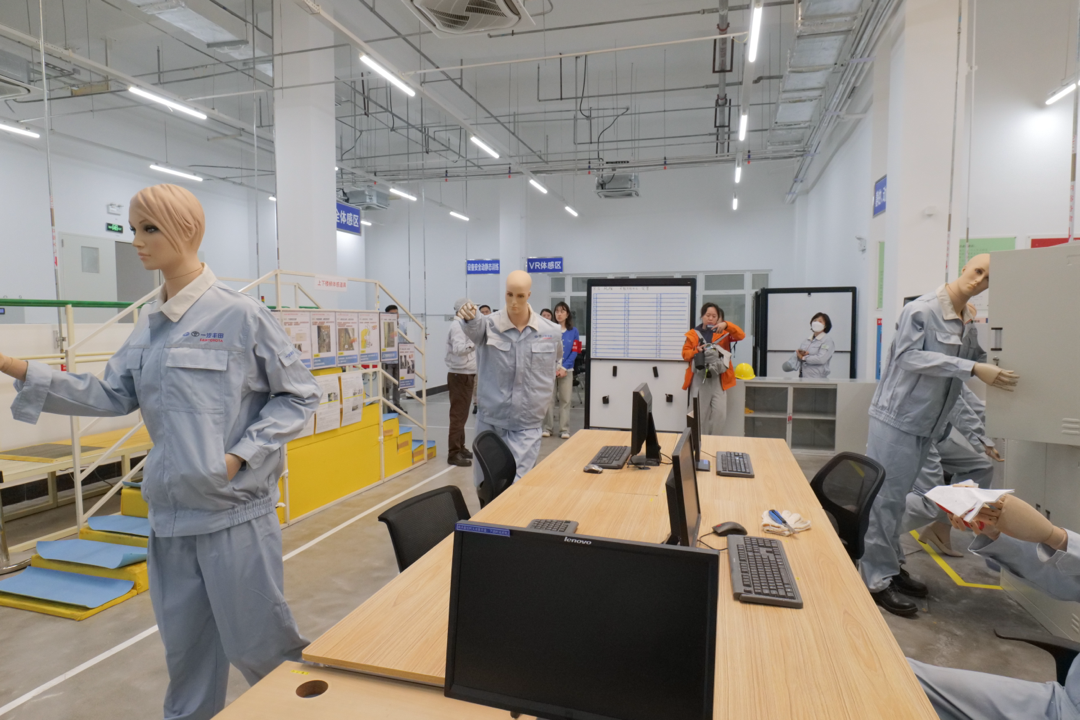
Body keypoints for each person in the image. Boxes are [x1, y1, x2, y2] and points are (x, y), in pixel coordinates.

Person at [2, 184, 319, 720]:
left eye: (149, 228)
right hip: (169, 520)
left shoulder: (239, 315)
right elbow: (111, 395)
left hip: (232, 515)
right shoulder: (150, 325)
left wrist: (240, 456)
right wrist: (14, 366)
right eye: (133, 229)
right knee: (187, 661)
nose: (136, 242)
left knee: (263, 650)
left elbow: (299, 394)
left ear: (186, 230)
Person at [860, 254, 1019, 618]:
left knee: (899, 503)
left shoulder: (967, 321)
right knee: (885, 501)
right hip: (897, 419)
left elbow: (956, 387)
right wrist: (971, 365)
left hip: (928, 426)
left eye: (987, 278)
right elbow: (907, 357)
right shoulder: (922, 310)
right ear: (964, 267)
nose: (979, 280)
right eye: (977, 271)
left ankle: (890, 566)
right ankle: (874, 579)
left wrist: (981, 436)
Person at [909, 494, 1080, 720]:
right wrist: (996, 534)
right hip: (1059, 703)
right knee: (901, 677)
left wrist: (1055, 537)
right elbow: (1065, 580)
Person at [456, 271, 560, 486]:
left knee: (518, 488)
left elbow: (554, 362)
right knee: (488, 487)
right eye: (509, 294)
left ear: (529, 295)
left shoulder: (550, 331)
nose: (513, 302)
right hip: (491, 423)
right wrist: (469, 314)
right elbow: (473, 327)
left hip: (527, 424)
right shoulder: (487, 326)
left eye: (520, 296)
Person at [681, 303, 745, 436]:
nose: (710, 318)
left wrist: (726, 324)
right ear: (702, 316)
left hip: (718, 378)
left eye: (714, 316)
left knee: (719, 415)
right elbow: (685, 354)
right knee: (699, 414)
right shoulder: (693, 334)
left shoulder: (724, 333)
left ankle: (713, 441)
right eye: (708, 315)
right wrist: (696, 350)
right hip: (699, 378)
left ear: (718, 318)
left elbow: (741, 335)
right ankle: (698, 442)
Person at [445, 298, 477, 467]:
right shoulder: (457, 326)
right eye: (470, 308)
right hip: (460, 375)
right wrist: (475, 342)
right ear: (461, 310)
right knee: (458, 415)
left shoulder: (463, 325)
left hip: (465, 373)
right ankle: (454, 453)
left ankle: (461, 447)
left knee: (462, 414)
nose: (474, 311)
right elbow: (459, 349)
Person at [542, 302, 580, 440]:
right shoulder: (549, 330)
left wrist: (564, 368)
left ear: (567, 314)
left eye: (562, 311)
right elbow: (545, 349)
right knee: (549, 400)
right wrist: (552, 368)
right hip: (550, 370)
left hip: (566, 370)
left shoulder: (574, 331)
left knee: (565, 400)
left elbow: (576, 350)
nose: (559, 314)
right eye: (557, 311)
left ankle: (564, 429)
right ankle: (547, 428)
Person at [782, 312, 835, 378]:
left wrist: (804, 358)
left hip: (817, 378)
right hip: (803, 376)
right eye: (815, 320)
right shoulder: (807, 340)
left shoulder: (827, 340)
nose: (816, 323)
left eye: (820, 321)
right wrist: (795, 358)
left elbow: (821, 359)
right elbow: (799, 354)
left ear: (826, 325)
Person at [382, 304, 401, 410]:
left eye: (396, 313)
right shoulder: (383, 327)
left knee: (398, 384)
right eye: (392, 314)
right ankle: (387, 406)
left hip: (399, 360)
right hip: (388, 360)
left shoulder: (401, 327)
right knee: (387, 384)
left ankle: (397, 404)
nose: (395, 316)